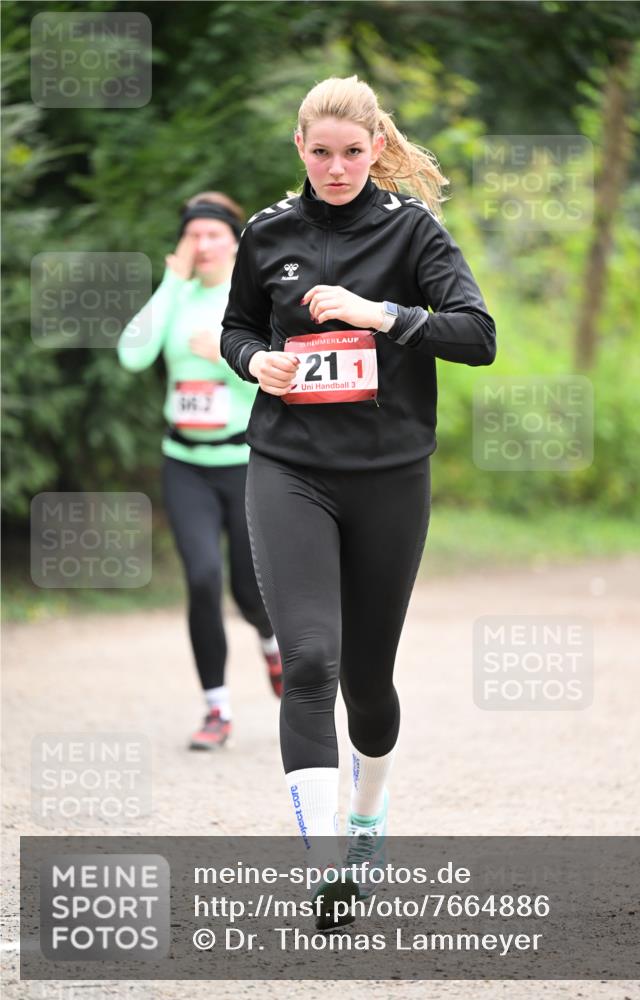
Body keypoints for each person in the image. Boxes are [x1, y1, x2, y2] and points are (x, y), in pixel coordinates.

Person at [221, 77, 496, 928]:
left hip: (388, 477)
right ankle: (323, 863)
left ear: (375, 146)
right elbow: (237, 326)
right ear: (298, 149)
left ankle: (370, 820)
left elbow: (476, 336)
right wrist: (252, 362)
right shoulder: (268, 232)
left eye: (351, 152)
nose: (335, 168)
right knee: (309, 661)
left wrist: (382, 314)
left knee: (369, 682)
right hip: (287, 466)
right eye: (319, 152)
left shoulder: (412, 231)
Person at [117, 191, 283, 752]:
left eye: (214, 234)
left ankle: (271, 644)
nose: (204, 244)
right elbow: (132, 355)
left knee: (249, 591)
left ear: (235, 240)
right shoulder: (177, 297)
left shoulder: (252, 301)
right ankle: (217, 709)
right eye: (194, 235)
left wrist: (223, 354)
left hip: (242, 462)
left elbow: (275, 379)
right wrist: (170, 281)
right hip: (184, 461)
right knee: (203, 579)